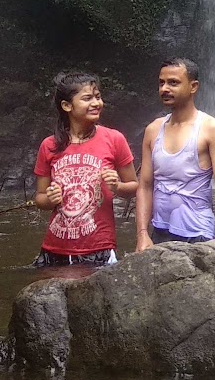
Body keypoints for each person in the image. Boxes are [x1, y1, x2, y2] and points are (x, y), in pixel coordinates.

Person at [32, 72, 137, 268]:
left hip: (100, 247)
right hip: (55, 248)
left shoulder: (114, 139)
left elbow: (134, 187)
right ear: (67, 106)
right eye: (87, 98)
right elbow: (40, 198)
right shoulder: (49, 145)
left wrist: (117, 187)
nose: (96, 103)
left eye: (98, 97)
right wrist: (50, 199)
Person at [135, 58, 215, 250]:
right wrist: (142, 235)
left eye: (173, 83)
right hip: (159, 231)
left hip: (198, 234)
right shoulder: (153, 130)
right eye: (161, 83)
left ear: (193, 86)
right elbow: (145, 186)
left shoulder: (211, 129)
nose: (164, 89)